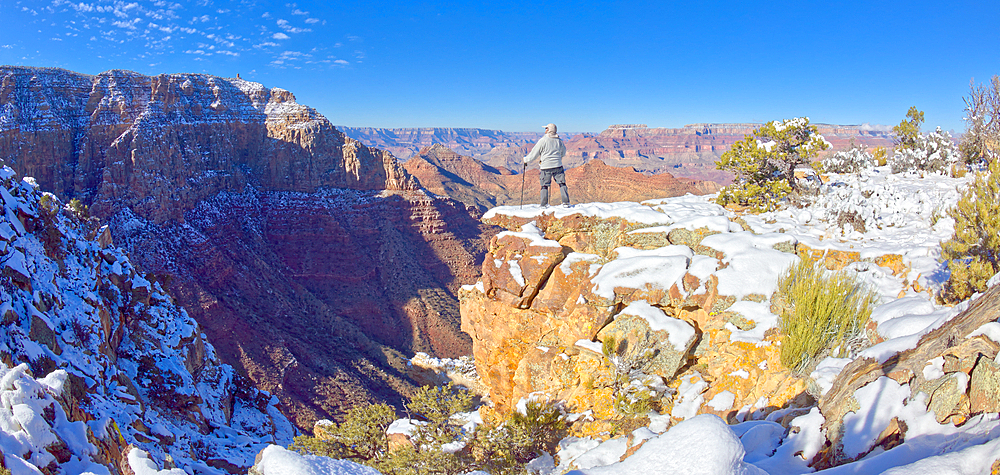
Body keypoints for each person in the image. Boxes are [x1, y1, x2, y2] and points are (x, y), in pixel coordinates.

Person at [523, 123, 570, 207]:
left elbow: (534, 153)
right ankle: (566, 202)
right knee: (562, 183)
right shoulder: (559, 141)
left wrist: (526, 159)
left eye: (546, 128)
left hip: (546, 167)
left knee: (544, 185)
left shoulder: (543, 141)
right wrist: (557, 158)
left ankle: (544, 204)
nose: (545, 130)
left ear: (549, 130)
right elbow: (563, 152)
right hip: (558, 166)